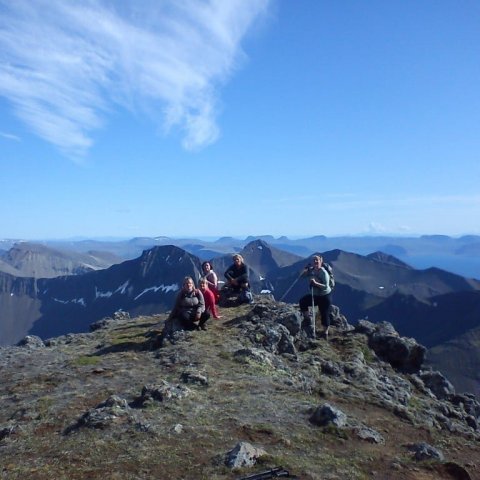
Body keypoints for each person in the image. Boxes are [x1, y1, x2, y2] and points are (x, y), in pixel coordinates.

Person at [299, 255, 332, 339]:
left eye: (317, 260)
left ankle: (325, 333)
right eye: (314, 261)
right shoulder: (311, 271)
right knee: (303, 302)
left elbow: (325, 286)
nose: (316, 262)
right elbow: (301, 276)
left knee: (324, 314)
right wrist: (305, 270)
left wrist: (315, 283)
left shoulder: (323, 272)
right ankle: (308, 319)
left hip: (324, 296)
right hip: (315, 295)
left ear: (321, 261)